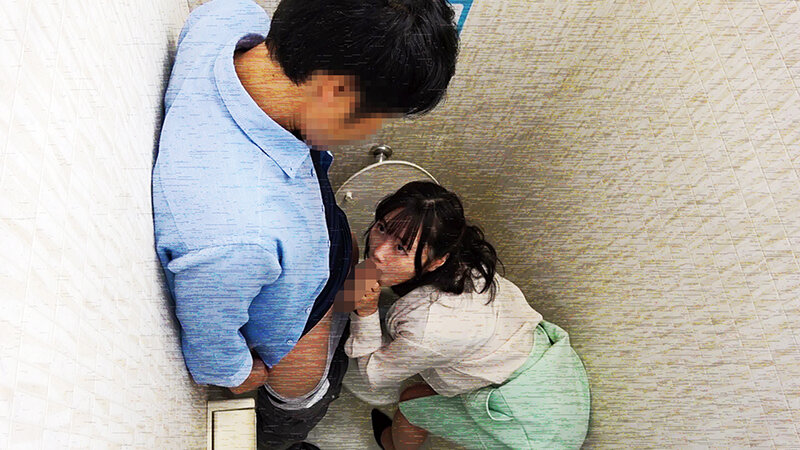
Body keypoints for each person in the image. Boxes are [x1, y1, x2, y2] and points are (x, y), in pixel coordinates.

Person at [151, 0, 458, 447]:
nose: (372, 133)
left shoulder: (229, 18)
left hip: (314, 279)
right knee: (290, 423)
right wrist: (241, 374)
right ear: (335, 92)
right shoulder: (236, 236)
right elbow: (211, 349)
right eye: (378, 119)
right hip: (297, 364)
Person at [345, 181, 591, 449]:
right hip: (552, 378)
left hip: (538, 426)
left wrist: (366, 312)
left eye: (401, 248)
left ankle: (391, 445)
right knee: (419, 394)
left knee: (411, 404)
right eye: (382, 228)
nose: (378, 252)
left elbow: (373, 375)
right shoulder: (467, 262)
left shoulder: (430, 328)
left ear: (438, 260)